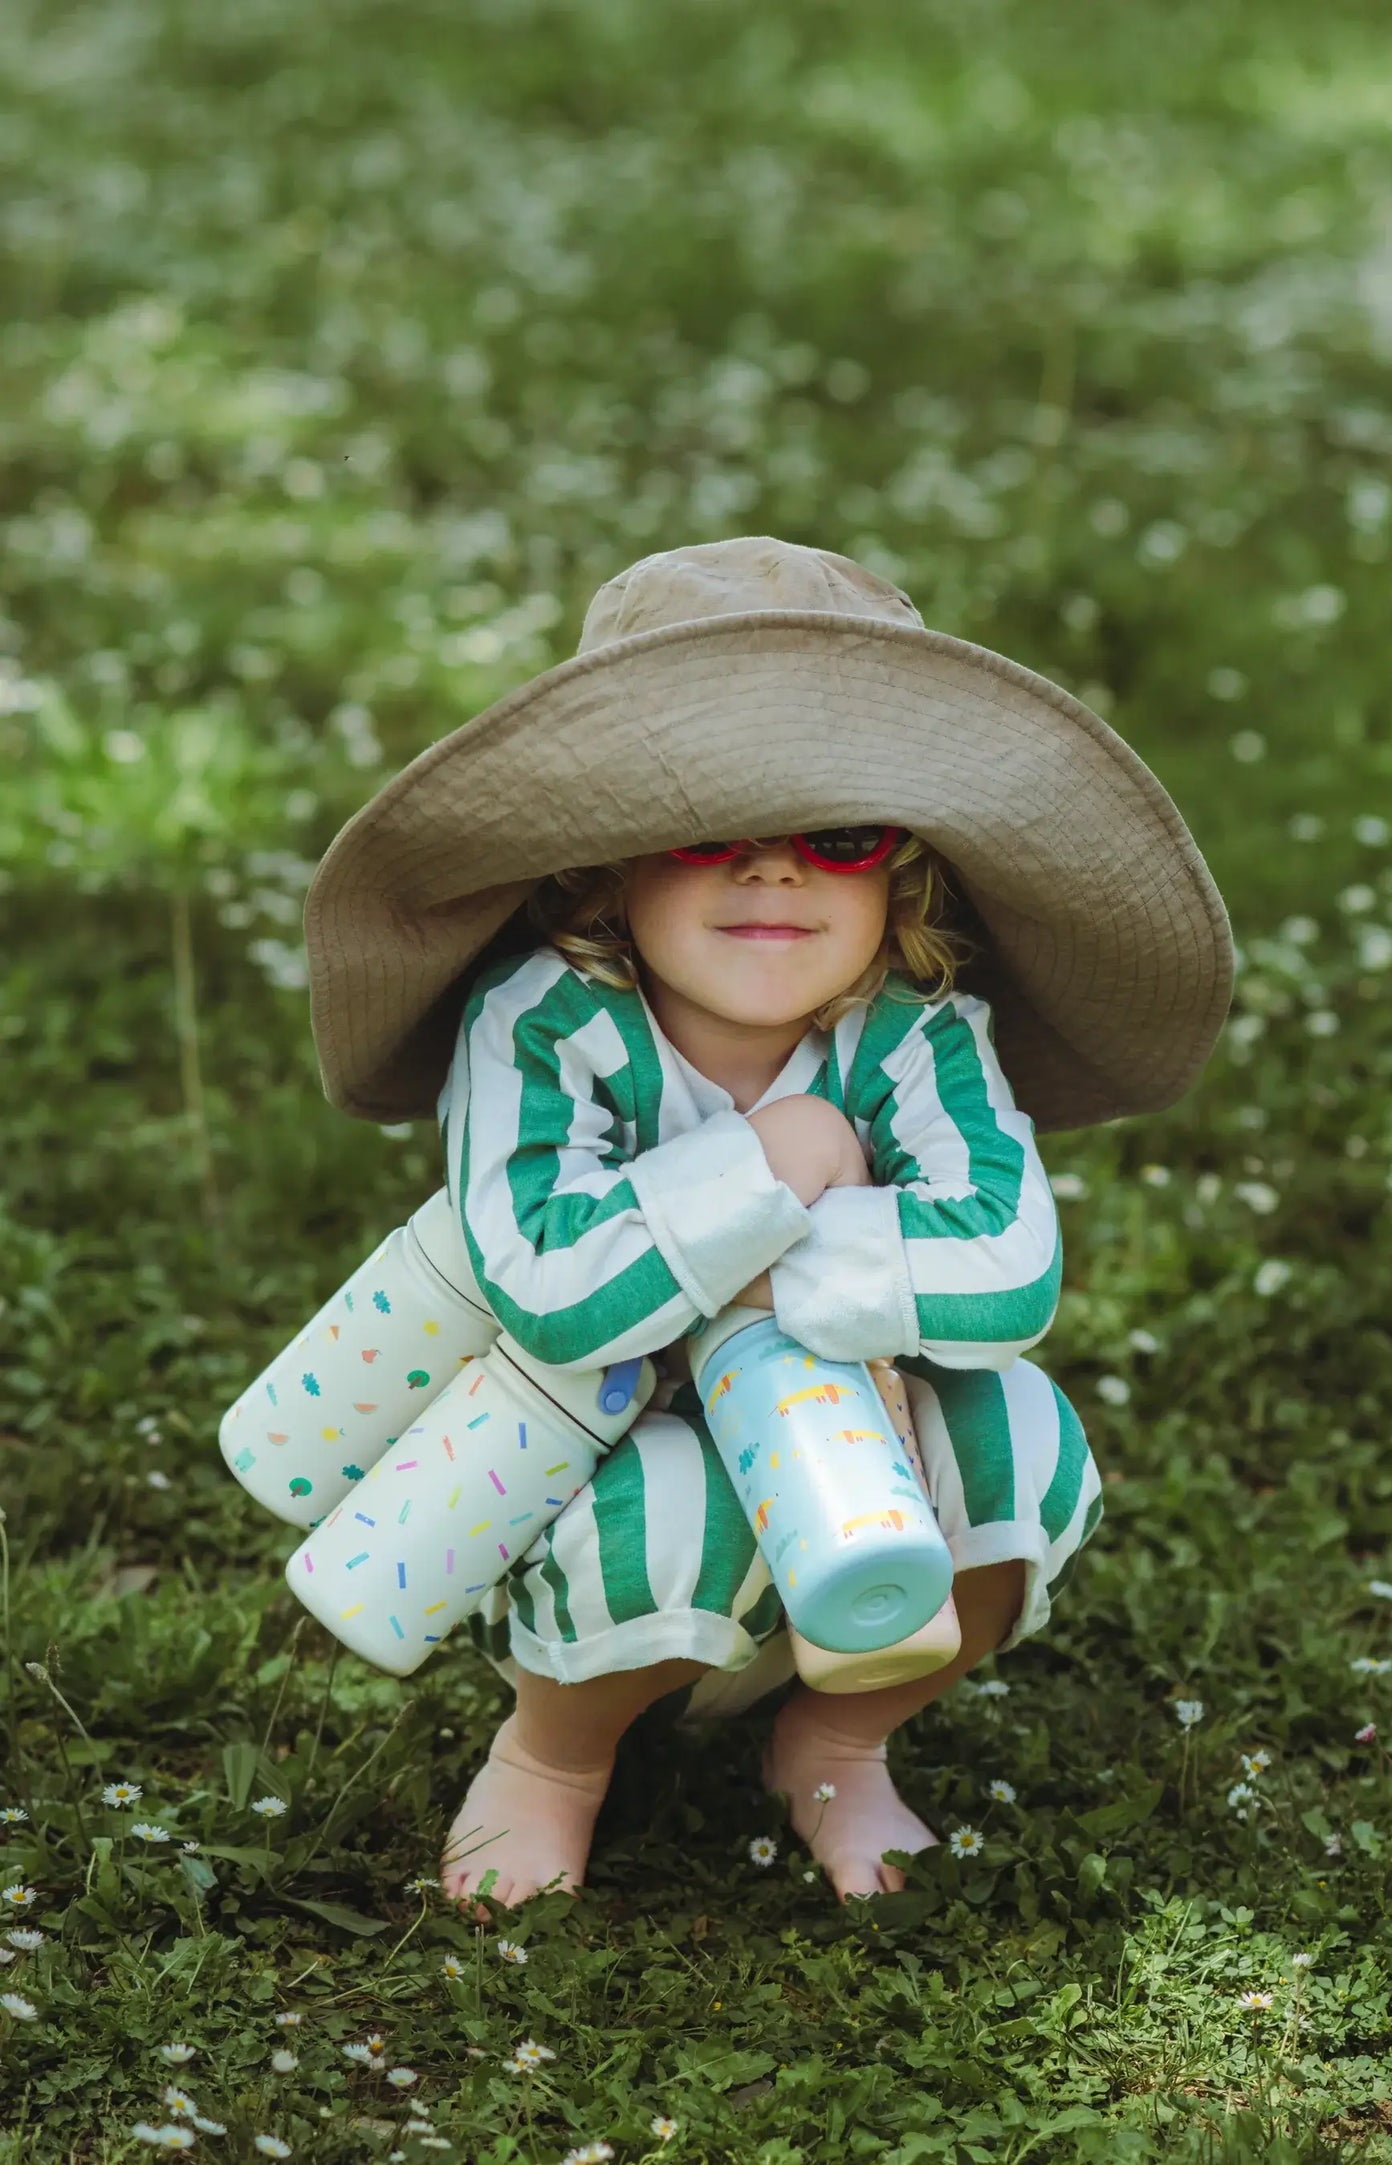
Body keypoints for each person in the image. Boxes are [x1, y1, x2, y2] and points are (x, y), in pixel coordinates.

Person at [300, 535, 1233, 1913]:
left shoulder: (914, 1033)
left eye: (835, 836)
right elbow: (551, 1279)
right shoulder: (543, 1022)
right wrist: (769, 1163)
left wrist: (756, 1292)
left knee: (1021, 1437)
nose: (772, 873)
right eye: (705, 827)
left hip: (865, 1470)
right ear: (605, 866)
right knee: (672, 1506)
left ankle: (837, 1736)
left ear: (897, 876)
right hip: (590, 1454)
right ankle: (553, 1756)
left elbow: (1009, 1261)